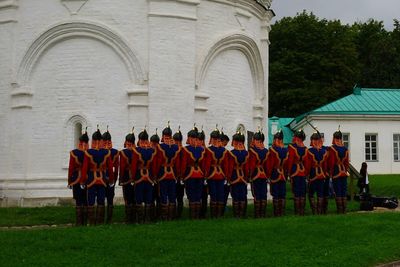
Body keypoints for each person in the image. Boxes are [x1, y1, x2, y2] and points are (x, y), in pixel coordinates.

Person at [80, 127, 115, 225]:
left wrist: (83, 181)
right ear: (101, 141)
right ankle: (100, 222)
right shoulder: (106, 152)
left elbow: (85, 168)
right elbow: (110, 168)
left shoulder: (88, 152)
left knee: (91, 201)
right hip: (103, 180)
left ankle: (92, 222)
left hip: (91, 179)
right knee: (101, 200)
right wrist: (111, 180)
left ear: (93, 141)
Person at [131, 128, 157, 223]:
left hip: (139, 177)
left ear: (140, 140)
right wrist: (153, 177)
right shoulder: (152, 151)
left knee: (139, 199)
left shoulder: (136, 150)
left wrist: (133, 178)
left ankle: (140, 220)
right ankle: (147, 219)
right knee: (148, 198)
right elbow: (153, 166)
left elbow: (134, 166)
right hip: (149, 177)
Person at [155, 123, 181, 220]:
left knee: (163, 194)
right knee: (172, 195)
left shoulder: (159, 147)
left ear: (163, 136)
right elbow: (177, 163)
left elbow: (157, 162)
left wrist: (155, 174)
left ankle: (164, 216)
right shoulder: (176, 148)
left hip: (162, 173)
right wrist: (178, 174)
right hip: (173, 174)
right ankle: (171, 216)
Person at [203, 126, 229, 218]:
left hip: (211, 175)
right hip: (221, 175)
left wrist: (205, 176)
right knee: (220, 194)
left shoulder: (209, 150)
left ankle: (214, 215)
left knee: (213, 195)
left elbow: (207, 164)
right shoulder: (224, 151)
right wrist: (226, 176)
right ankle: (219, 215)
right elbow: (225, 165)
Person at [180, 126, 206, 219]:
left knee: (191, 195)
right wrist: (204, 174)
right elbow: (203, 165)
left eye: (191, 138)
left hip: (189, 174)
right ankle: (197, 216)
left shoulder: (185, 149)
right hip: (199, 174)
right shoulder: (202, 149)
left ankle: (193, 216)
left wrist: (182, 175)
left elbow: (183, 164)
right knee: (198, 196)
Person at [67, 128, 89, 226]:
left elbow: (71, 168)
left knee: (78, 200)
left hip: (76, 179)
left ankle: (79, 222)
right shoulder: (89, 153)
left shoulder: (73, 153)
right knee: (86, 199)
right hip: (88, 179)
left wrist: (69, 181)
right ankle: (85, 221)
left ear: (79, 142)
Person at [227, 131, 249, 218]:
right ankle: (242, 214)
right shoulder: (246, 153)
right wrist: (246, 177)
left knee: (235, 196)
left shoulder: (231, 153)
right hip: (243, 176)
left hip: (234, 176)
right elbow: (247, 167)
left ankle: (236, 215)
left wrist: (228, 177)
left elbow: (229, 166)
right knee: (243, 195)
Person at [287, 129, 309, 216]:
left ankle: (297, 212)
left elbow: (290, 161)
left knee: (296, 192)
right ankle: (302, 212)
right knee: (302, 192)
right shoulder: (305, 149)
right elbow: (307, 163)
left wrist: (289, 172)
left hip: (295, 172)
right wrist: (306, 173)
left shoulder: (292, 147)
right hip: (302, 172)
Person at [306, 131, 329, 215]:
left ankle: (314, 212)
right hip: (322, 175)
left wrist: (307, 174)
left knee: (311, 194)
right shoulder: (324, 151)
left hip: (313, 175)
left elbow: (308, 165)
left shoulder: (309, 151)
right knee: (320, 194)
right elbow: (325, 165)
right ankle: (319, 212)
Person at [266, 130, 288, 217]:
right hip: (282, 174)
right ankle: (281, 213)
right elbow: (286, 165)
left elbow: (270, 164)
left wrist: (268, 174)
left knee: (276, 194)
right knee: (282, 194)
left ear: (275, 140)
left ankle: (276, 213)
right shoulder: (285, 150)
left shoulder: (272, 150)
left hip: (275, 174)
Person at [328, 128, 350, 214]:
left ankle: (339, 211)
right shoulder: (345, 149)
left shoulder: (332, 149)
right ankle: (344, 210)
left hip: (336, 172)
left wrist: (331, 172)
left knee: (338, 191)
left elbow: (332, 162)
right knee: (344, 191)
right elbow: (347, 162)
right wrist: (345, 170)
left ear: (334, 138)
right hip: (344, 172)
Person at [248, 129, 268, 218]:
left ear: (258, 141)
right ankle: (262, 214)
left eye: (255, 140)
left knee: (256, 195)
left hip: (256, 174)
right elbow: (268, 165)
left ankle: (257, 215)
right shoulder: (266, 151)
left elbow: (251, 165)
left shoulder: (252, 151)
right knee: (263, 195)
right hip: (263, 175)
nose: (254, 141)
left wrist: (250, 175)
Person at [102, 127, 119, 224]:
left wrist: (114, 179)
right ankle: (101, 217)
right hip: (101, 177)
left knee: (110, 198)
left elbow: (116, 167)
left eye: (109, 143)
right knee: (101, 198)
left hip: (111, 178)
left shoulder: (115, 152)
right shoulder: (100, 152)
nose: (107, 145)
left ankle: (109, 218)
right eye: (105, 143)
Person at [119, 129, 136, 223]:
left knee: (127, 198)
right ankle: (134, 217)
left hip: (126, 177)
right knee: (134, 197)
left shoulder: (123, 153)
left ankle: (129, 218)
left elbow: (122, 167)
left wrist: (120, 179)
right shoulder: (137, 151)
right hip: (136, 177)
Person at [173, 127, 185, 218]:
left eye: (178, 142)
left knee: (179, 197)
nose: (176, 143)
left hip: (180, 177)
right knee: (173, 196)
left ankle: (179, 214)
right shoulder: (172, 150)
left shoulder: (183, 151)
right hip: (172, 175)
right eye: (175, 141)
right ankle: (173, 214)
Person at [220, 129, 231, 215]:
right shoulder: (225, 152)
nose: (226, 144)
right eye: (225, 142)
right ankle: (221, 210)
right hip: (223, 175)